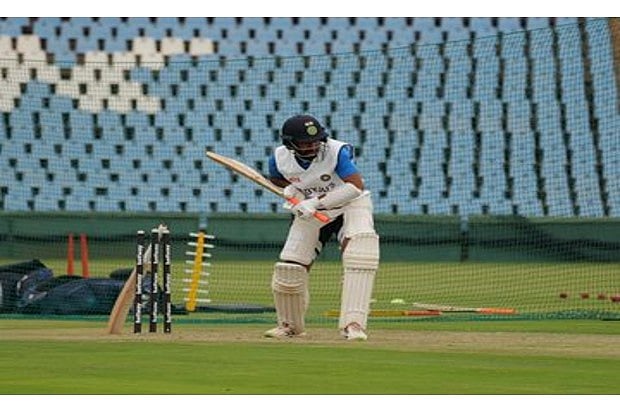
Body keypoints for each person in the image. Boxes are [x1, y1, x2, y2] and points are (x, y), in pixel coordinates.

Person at [263, 114, 380, 341]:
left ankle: (353, 325)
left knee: (361, 255)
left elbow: (355, 186)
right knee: (290, 266)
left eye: (316, 141)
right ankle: (290, 325)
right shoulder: (278, 158)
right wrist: (292, 191)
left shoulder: (337, 151)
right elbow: (276, 179)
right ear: (290, 144)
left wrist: (315, 202)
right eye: (305, 143)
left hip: (350, 204)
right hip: (310, 209)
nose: (313, 146)